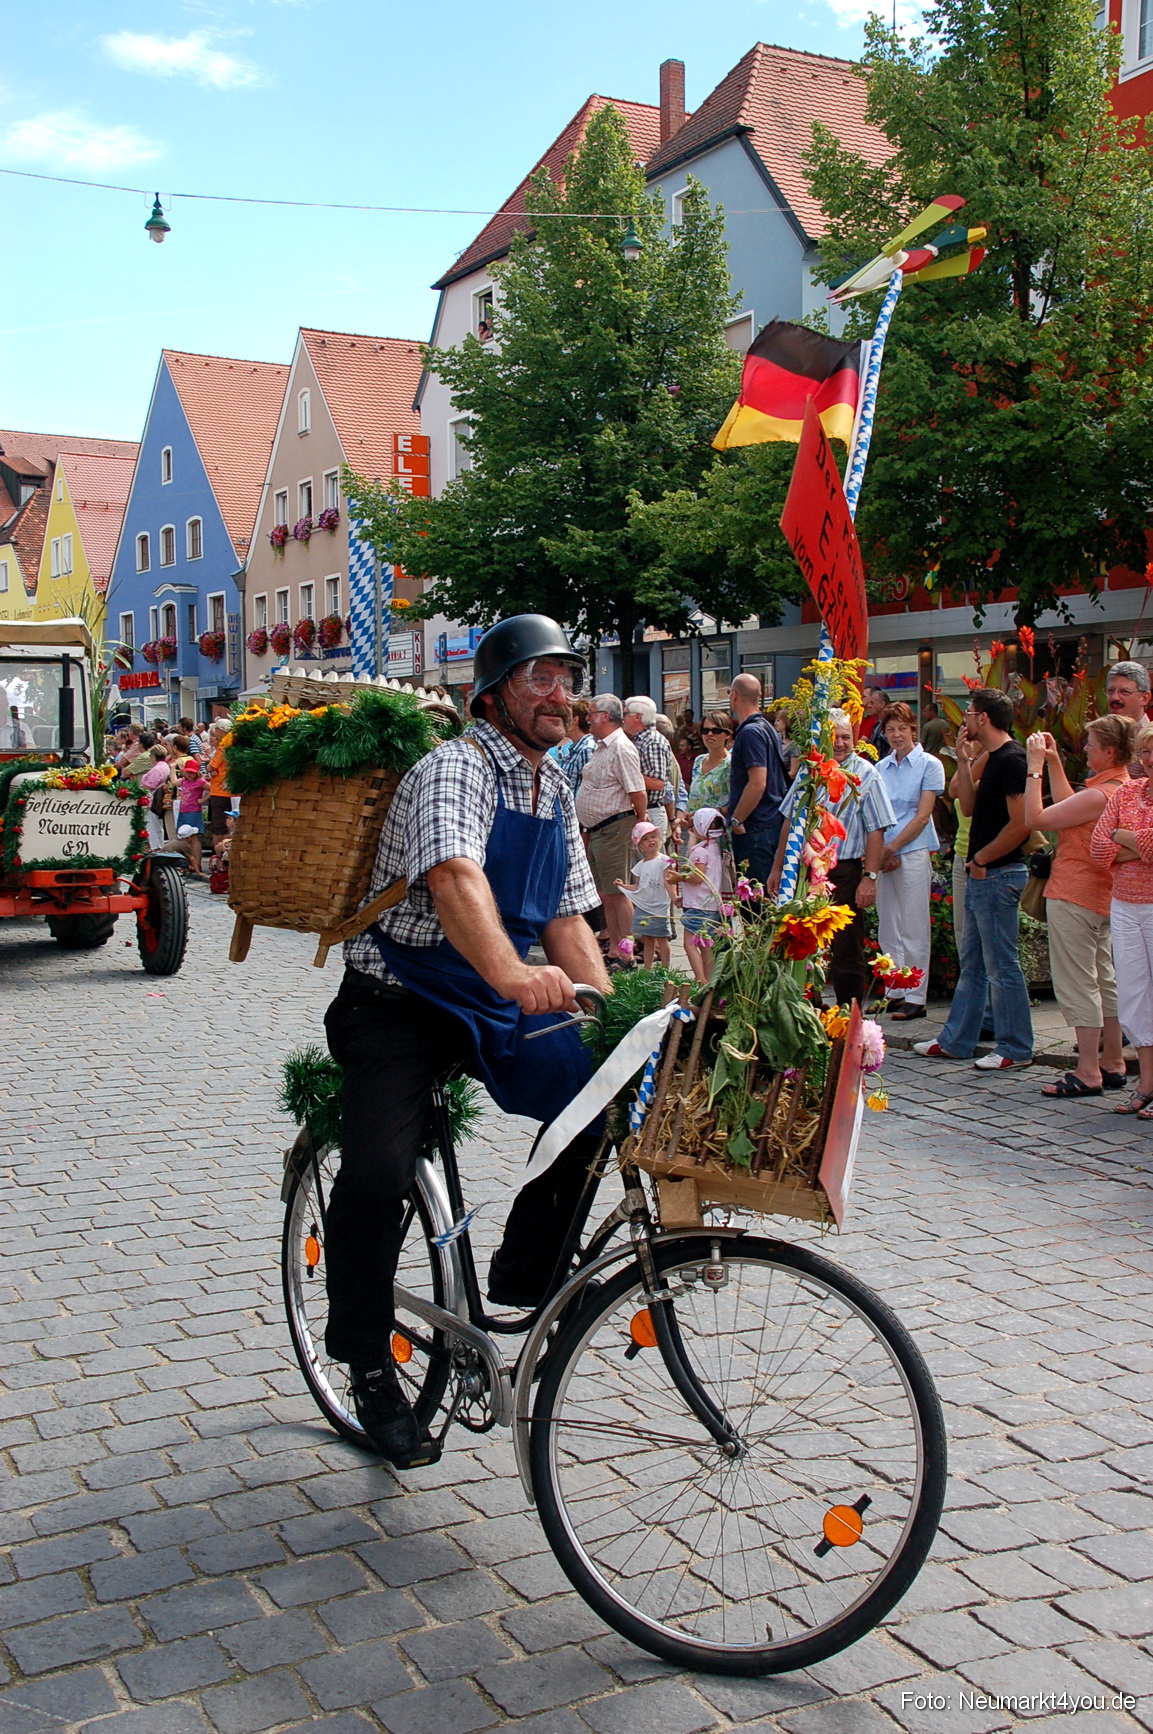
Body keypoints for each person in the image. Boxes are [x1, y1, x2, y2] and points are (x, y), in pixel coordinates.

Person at [330, 614, 611, 1468]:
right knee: (377, 1172)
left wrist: (607, 1001)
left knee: (597, 1099)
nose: (559, 694)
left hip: (490, 994)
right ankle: (367, 1359)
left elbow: (566, 917)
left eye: (565, 677)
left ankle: (527, 1277)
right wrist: (511, 976)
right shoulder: (454, 766)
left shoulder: (552, 788)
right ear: (491, 697)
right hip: (399, 999)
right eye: (539, 679)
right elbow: (454, 877)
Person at [915, 688, 1033, 1069]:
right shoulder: (990, 757)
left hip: (998, 872)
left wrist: (982, 857)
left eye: (969, 712)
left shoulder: (1013, 759)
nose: (963, 719)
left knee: (1001, 964)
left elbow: (1021, 823)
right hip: (980, 870)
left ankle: (1015, 1046)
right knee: (975, 962)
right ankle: (957, 1039)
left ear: (983, 718)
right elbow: (965, 804)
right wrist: (965, 763)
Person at [1025, 716, 1135, 1097]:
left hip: (1075, 893)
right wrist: (1055, 762)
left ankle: (1088, 1069)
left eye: (1090, 744)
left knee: (1078, 983)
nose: (1084, 749)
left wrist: (1035, 768)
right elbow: (1070, 806)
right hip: (1102, 895)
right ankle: (1113, 1061)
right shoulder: (1120, 787)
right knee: (1105, 980)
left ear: (1109, 751)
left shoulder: (1099, 794)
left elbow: (1035, 818)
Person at [769, 709, 896, 1010]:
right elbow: (790, 822)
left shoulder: (866, 774)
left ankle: (848, 1019)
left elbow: (876, 830)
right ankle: (808, 1009)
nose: (840, 744)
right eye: (834, 737)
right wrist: (778, 867)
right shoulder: (810, 772)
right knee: (803, 944)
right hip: (806, 871)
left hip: (845, 871)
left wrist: (870, 877)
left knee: (846, 950)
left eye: (846, 737)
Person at [1090, 720, 1153, 1118]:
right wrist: (1140, 843)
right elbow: (1098, 846)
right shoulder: (1129, 790)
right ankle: (1147, 1083)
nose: (1150, 760)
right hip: (1124, 905)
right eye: (1146, 752)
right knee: (1133, 996)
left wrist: (1125, 838)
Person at [872, 703, 945, 1020]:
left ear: (913, 729)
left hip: (912, 850)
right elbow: (875, 813)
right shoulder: (880, 767)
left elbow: (922, 815)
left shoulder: (929, 765)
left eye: (901, 728)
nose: (896, 735)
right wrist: (881, 851)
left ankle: (916, 994)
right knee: (888, 924)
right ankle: (894, 989)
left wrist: (893, 848)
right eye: (890, 729)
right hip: (884, 851)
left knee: (914, 924)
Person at [575, 695, 647, 958]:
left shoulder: (621, 747)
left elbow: (637, 791)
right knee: (606, 893)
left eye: (591, 713)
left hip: (616, 827)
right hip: (598, 829)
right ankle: (617, 947)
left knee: (618, 892)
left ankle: (626, 952)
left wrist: (640, 820)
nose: (587, 719)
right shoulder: (603, 746)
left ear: (605, 716)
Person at [727, 673, 788, 885]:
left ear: (734, 696)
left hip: (756, 828)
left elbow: (758, 782)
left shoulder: (750, 732)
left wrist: (737, 819)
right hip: (769, 823)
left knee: (755, 905)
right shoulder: (767, 728)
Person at [675, 807, 728, 984]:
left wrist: (679, 877)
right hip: (711, 905)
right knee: (706, 946)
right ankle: (710, 980)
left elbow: (697, 877)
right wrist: (693, 836)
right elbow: (694, 852)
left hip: (698, 905)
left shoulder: (701, 852)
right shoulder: (714, 848)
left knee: (689, 944)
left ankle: (699, 978)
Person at [615, 820, 676, 967]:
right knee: (647, 938)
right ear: (639, 845)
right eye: (645, 839)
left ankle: (665, 968)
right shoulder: (639, 866)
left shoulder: (664, 860)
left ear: (659, 839)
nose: (650, 841)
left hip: (659, 907)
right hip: (644, 906)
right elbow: (638, 886)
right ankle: (648, 968)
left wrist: (675, 898)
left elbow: (669, 881)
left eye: (653, 836)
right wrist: (623, 886)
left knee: (662, 938)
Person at [622, 697, 675, 844]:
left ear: (638, 717)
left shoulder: (653, 742)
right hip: (643, 811)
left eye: (626, 713)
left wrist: (626, 775)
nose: (623, 718)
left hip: (651, 812)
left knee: (650, 863)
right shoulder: (639, 740)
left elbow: (658, 783)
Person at [684, 710, 733, 827]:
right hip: (697, 832)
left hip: (719, 832)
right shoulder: (699, 761)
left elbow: (738, 803)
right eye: (705, 731)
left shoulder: (732, 764)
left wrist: (707, 814)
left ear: (728, 734)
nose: (710, 734)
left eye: (716, 730)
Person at [1105, 661, 1152, 773]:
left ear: (1144, 698)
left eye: (1124, 692)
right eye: (1110, 691)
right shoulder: (1099, 735)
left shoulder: (1150, 740)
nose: (1115, 697)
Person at [176, 758, 208, 876]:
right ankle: (189, 863)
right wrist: (172, 769)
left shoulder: (200, 782)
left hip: (193, 811)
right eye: (187, 772)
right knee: (185, 838)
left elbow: (212, 789)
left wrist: (203, 800)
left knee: (194, 838)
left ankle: (198, 863)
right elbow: (174, 782)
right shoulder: (184, 781)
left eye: (192, 772)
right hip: (183, 811)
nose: (189, 774)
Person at [559, 698, 595, 796]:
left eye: (565, 718)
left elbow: (590, 787)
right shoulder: (575, 748)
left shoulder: (586, 749)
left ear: (575, 720)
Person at [141, 745, 174, 851]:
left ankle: (156, 846)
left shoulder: (158, 769)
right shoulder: (165, 766)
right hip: (157, 798)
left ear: (154, 756)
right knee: (157, 825)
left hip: (153, 799)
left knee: (152, 824)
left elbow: (150, 785)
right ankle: (159, 845)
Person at [206, 721, 232, 849]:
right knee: (228, 824)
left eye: (216, 730)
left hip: (219, 791)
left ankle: (219, 857)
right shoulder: (232, 745)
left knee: (220, 828)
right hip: (230, 791)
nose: (214, 733)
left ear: (221, 731)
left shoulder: (223, 747)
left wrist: (210, 767)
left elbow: (210, 767)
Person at [858, 684, 892, 759]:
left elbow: (894, 747)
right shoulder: (878, 724)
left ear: (882, 704)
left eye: (872, 703)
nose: (868, 706)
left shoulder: (889, 723)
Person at [672, 709, 702, 787]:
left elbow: (702, 738)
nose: (686, 718)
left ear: (692, 716)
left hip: (697, 753)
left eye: (688, 716)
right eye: (684, 716)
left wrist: (694, 731)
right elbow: (677, 741)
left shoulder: (697, 727)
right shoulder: (681, 730)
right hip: (684, 756)